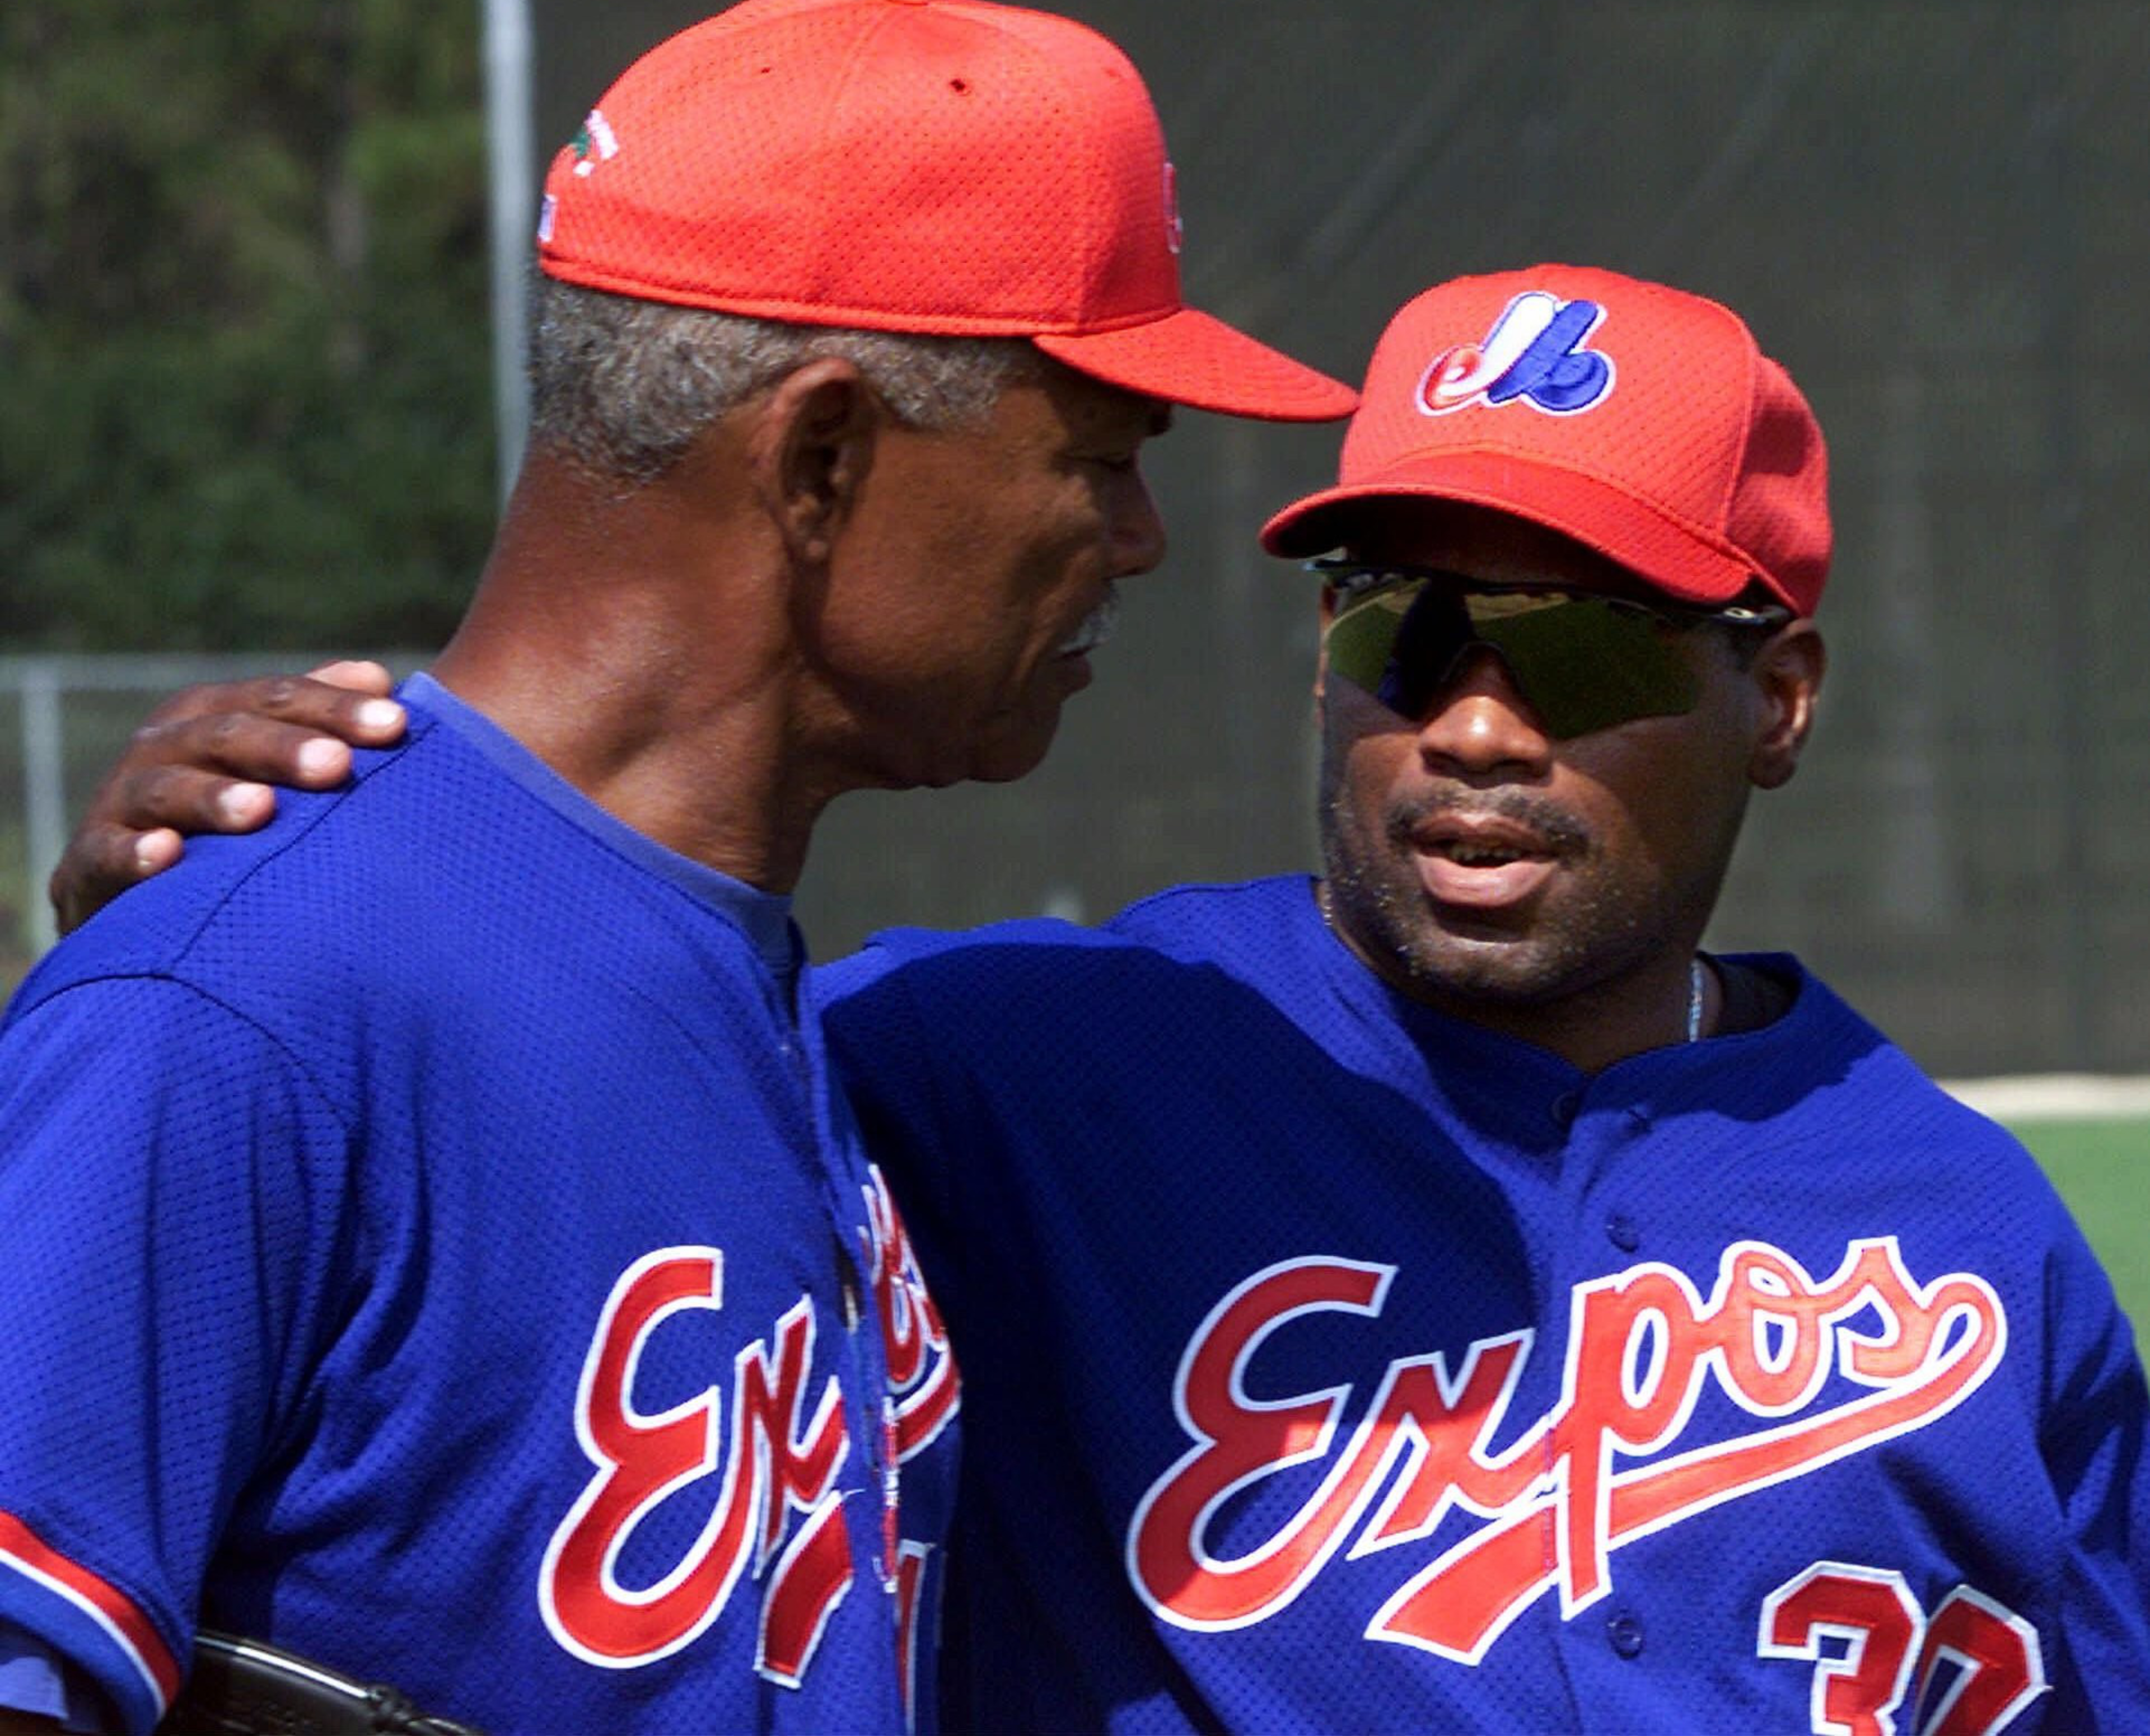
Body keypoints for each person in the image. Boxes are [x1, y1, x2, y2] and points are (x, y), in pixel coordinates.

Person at [49, 268, 2150, 1729]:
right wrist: (268, 865)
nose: (1473, 729)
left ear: (1773, 700)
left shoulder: (1974, 1240)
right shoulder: (1001, 1075)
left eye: (1583, 653)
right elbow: (514, 1035)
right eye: (1404, 632)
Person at [0, 0, 1353, 1736]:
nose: (1139, 539)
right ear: (823, 458)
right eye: (1095, 459)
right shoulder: (248, 1000)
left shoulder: (743, 983)